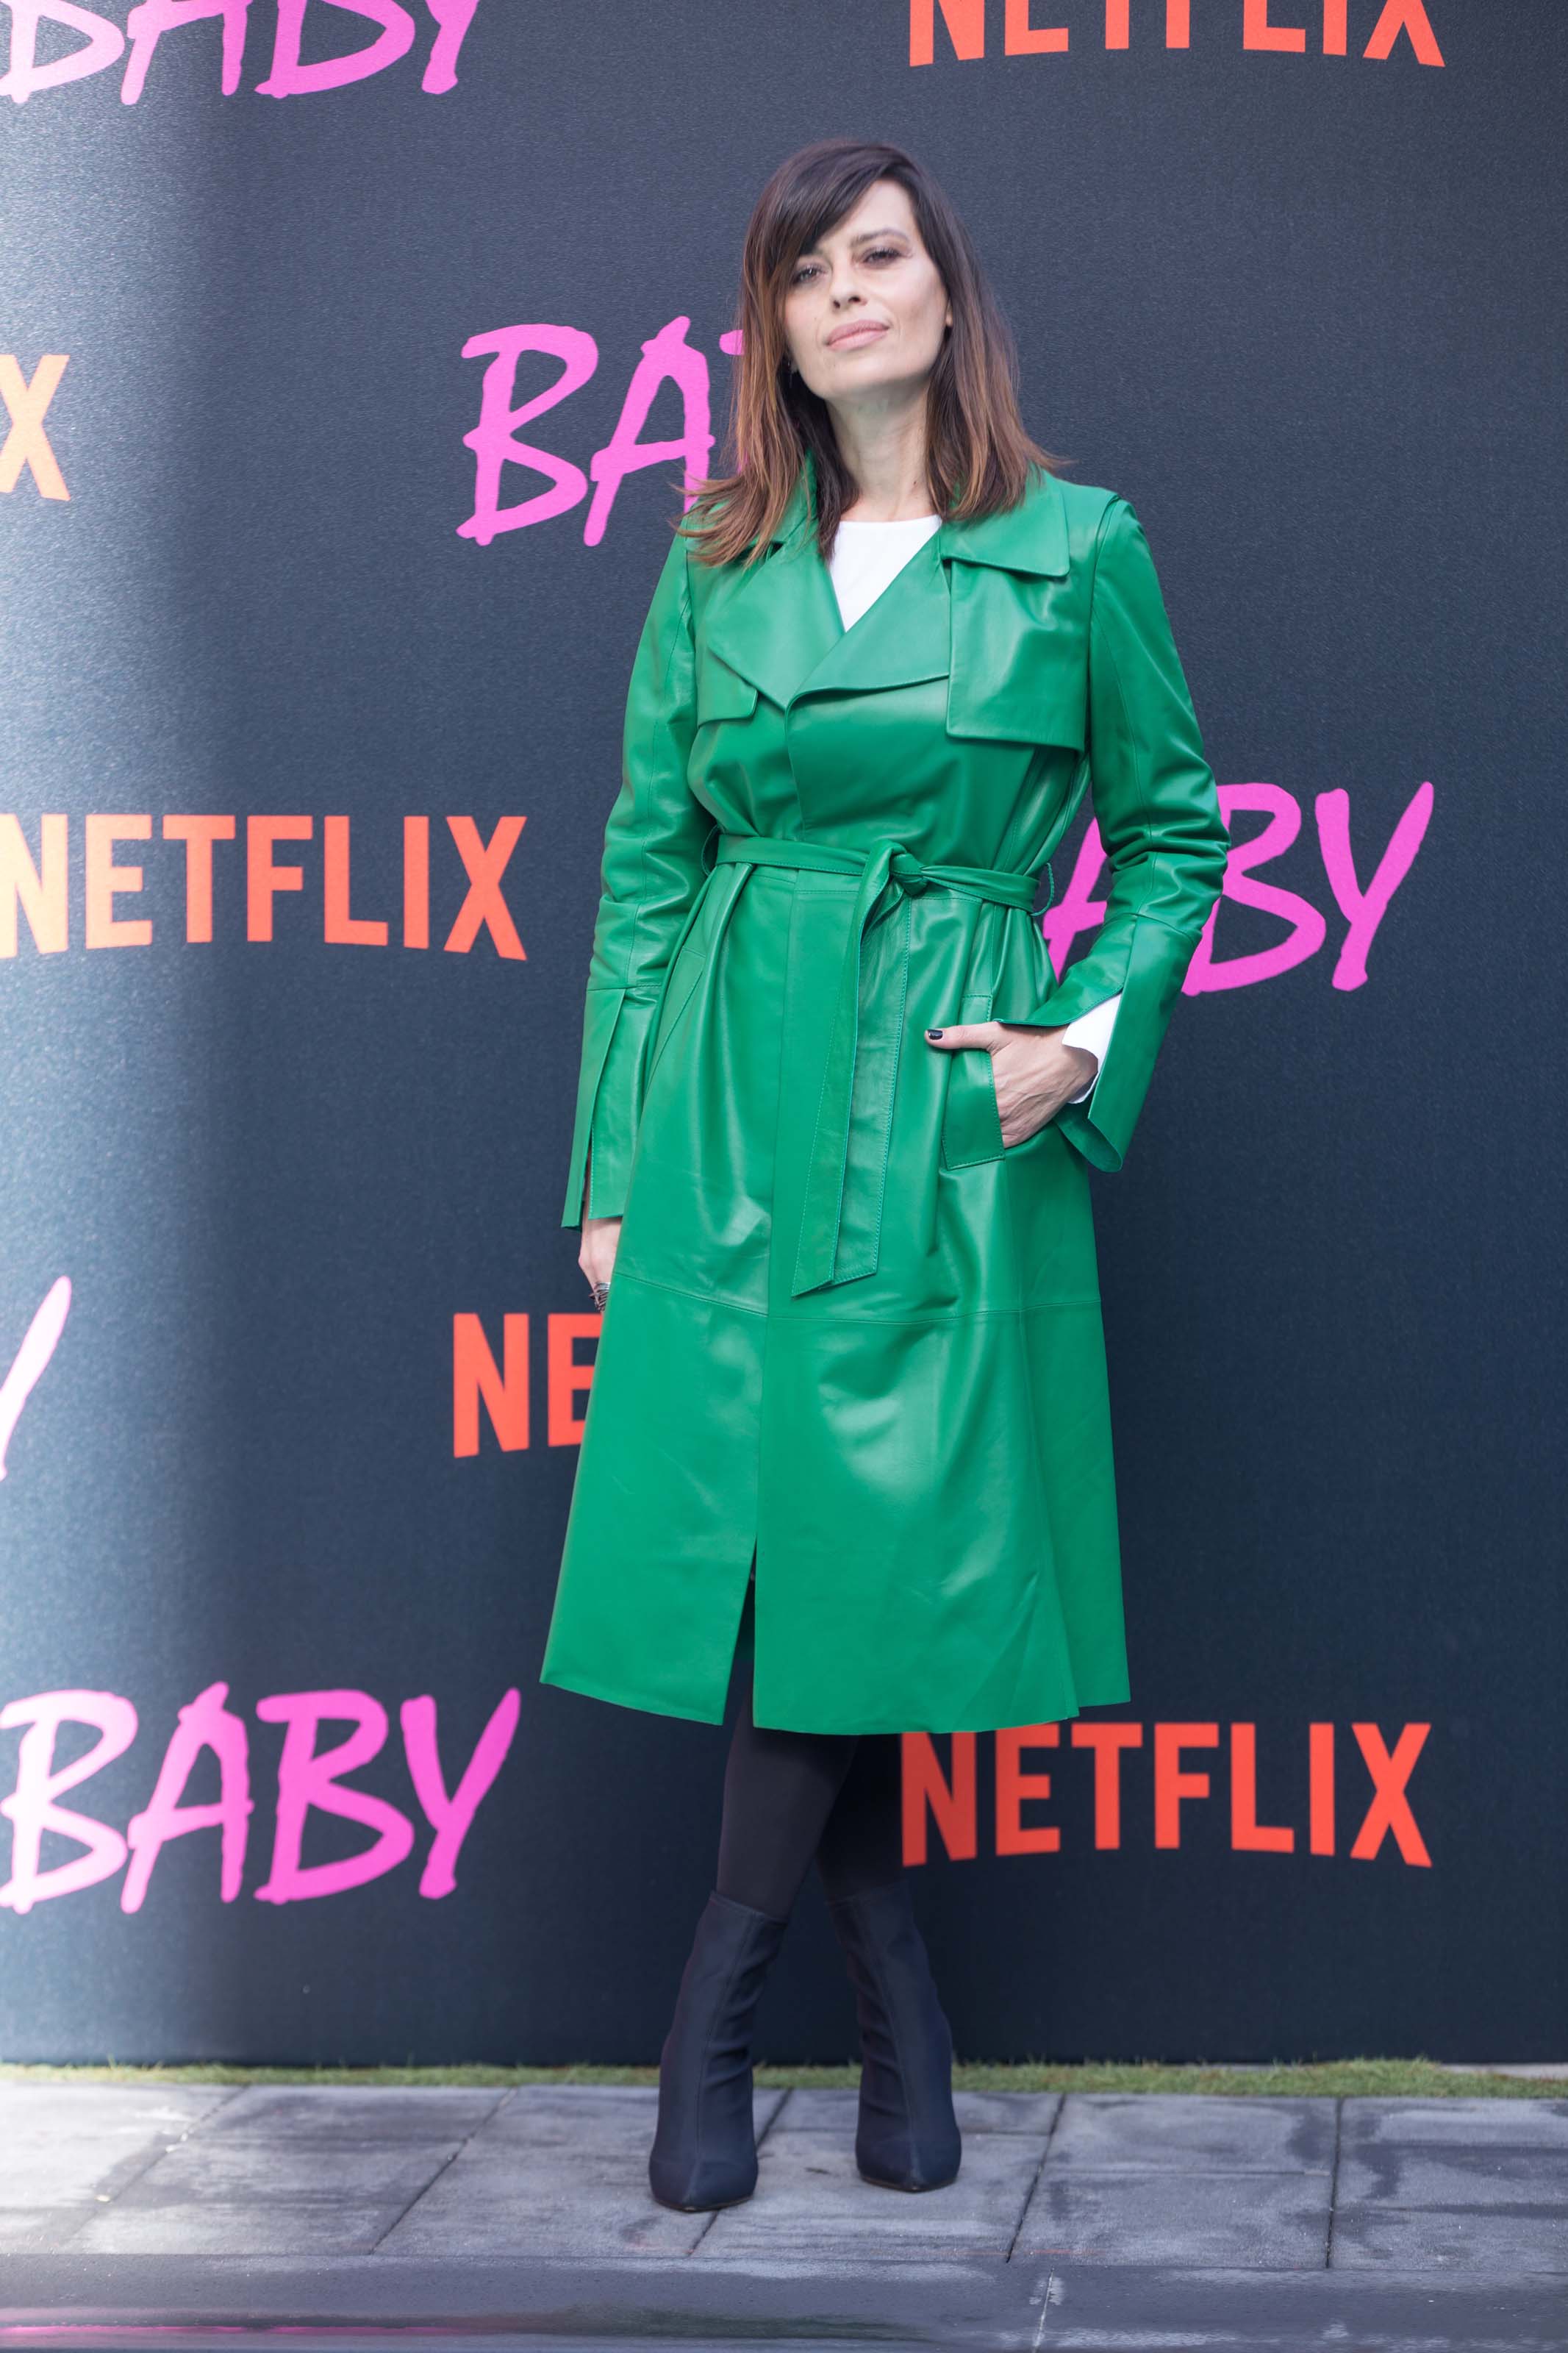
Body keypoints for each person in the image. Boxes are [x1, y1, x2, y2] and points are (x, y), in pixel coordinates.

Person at [540, 136, 1230, 2214]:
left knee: (848, 1546)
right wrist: (605, 1163)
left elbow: (1176, 835)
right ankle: (899, 1994)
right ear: (769, 323)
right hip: (728, 1102)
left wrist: (1075, 1039)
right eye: (804, 269)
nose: (847, 293)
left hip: (941, 1112)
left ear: (946, 296)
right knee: (768, 1560)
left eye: (880, 255)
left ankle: (713, 2015)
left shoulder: (1079, 548)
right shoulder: (713, 553)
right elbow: (649, 869)